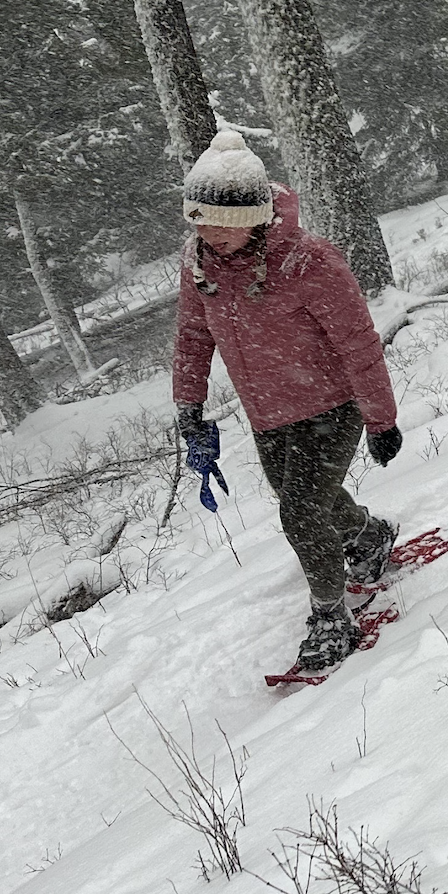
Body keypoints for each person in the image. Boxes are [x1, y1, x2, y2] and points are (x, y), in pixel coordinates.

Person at [172, 126, 402, 678]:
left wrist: (380, 418)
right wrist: (189, 405)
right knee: (309, 501)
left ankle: (331, 616)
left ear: (256, 215)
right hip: (268, 414)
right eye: (199, 218)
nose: (210, 231)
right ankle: (371, 538)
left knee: (299, 511)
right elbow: (192, 336)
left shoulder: (308, 261)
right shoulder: (198, 265)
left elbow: (357, 341)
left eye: (223, 222)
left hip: (332, 407)